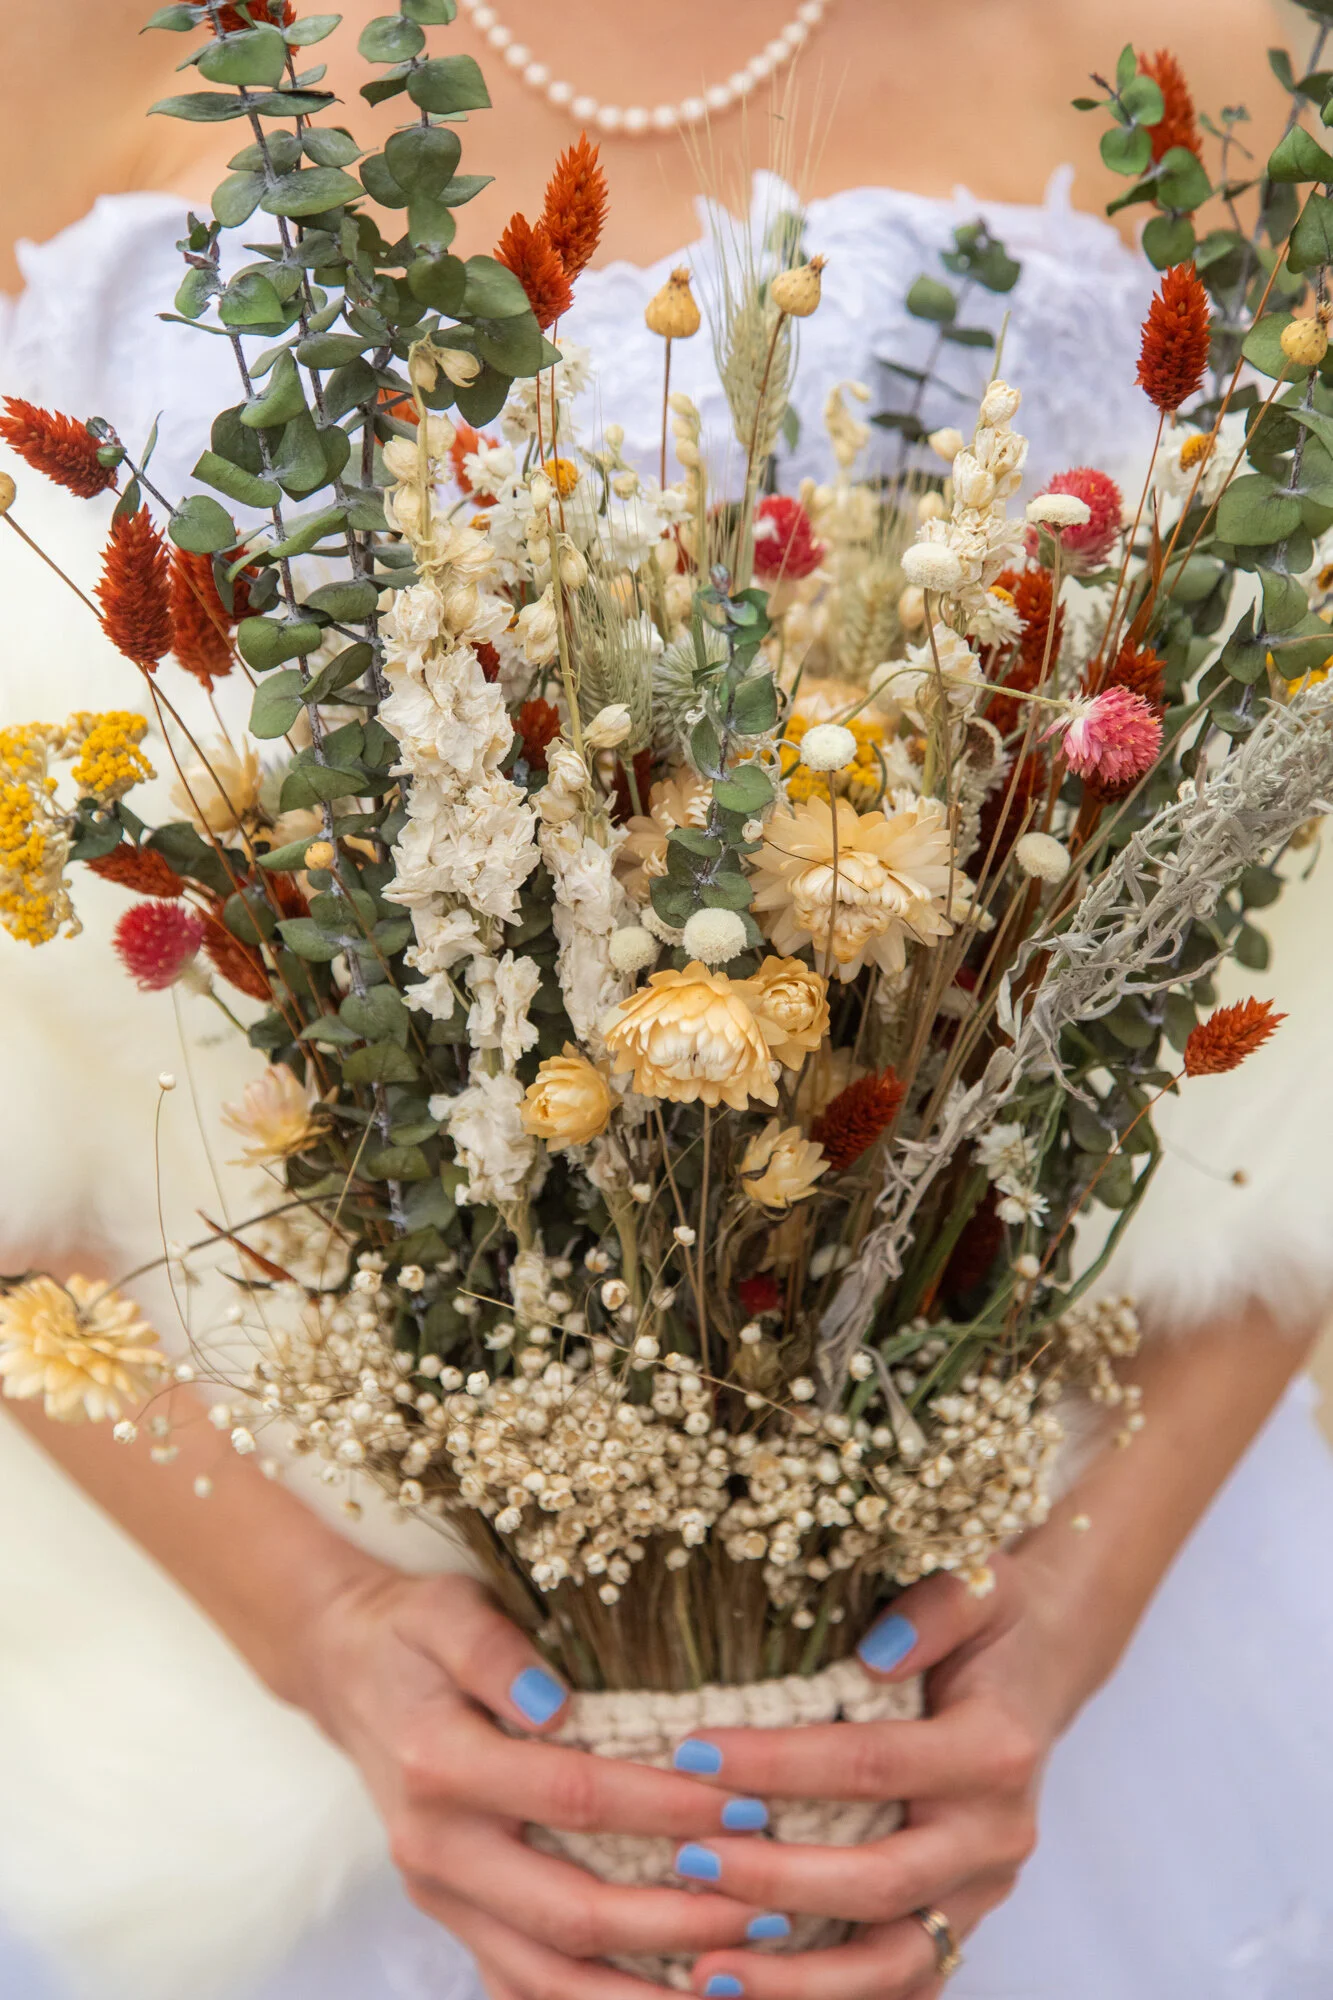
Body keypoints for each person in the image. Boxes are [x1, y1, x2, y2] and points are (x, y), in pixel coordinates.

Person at [2, 4, 1332, 1998]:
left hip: (1032, 1695)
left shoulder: (1210, 56)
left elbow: (1298, 934)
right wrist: (326, 1633)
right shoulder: (70, 45)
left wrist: (1064, 1608)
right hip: (247, 1737)